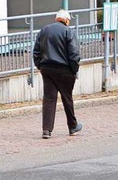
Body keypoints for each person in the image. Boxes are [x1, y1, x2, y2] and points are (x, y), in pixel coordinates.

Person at [32, 9, 83, 139]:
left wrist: (40, 65)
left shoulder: (44, 30)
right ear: (66, 20)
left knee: (49, 98)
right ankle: (72, 126)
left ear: (56, 18)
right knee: (67, 98)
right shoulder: (68, 31)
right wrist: (74, 69)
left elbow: (36, 51)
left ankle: (47, 129)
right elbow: (74, 54)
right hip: (64, 69)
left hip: (47, 68)